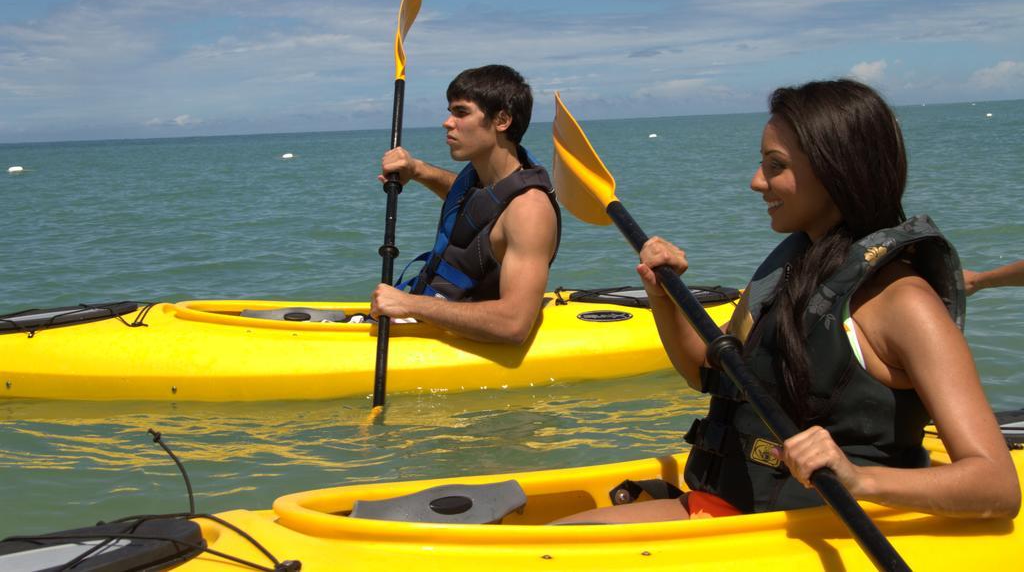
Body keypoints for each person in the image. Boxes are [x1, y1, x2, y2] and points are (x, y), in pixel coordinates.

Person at [555, 79, 1019, 523]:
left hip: (819, 527)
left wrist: (860, 480)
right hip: (729, 507)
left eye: (776, 166)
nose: (757, 182)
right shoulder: (791, 273)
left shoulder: (903, 302)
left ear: (835, 169)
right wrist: (663, 296)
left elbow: (996, 486)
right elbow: (705, 371)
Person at [369, 64, 560, 345]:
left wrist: (410, 305)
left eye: (461, 112)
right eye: (450, 112)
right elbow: (475, 203)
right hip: (431, 318)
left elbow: (514, 325)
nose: (448, 122)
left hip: (478, 337)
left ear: (502, 120)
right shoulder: (483, 179)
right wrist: (418, 169)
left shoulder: (529, 210)